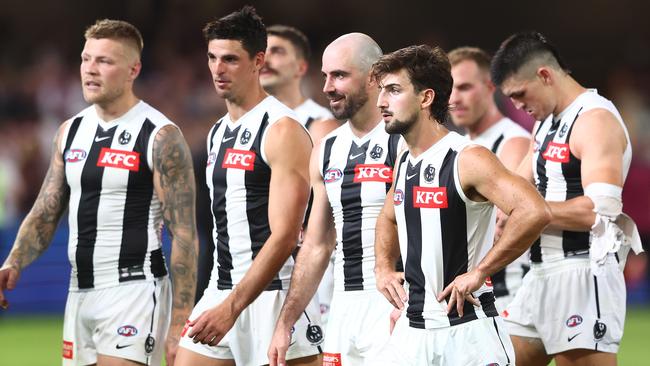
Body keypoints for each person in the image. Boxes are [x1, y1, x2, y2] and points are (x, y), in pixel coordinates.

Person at [0, 19, 198, 366]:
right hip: (79, 292)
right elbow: (47, 209)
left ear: (133, 69)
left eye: (104, 61)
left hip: (134, 290)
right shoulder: (70, 131)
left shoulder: (159, 135)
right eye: (85, 59)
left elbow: (184, 234)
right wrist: (14, 261)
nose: (90, 70)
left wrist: (179, 321)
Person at [369, 44, 551, 365]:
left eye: (394, 90)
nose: (382, 101)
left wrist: (480, 271)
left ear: (426, 98)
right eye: (382, 90)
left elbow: (533, 211)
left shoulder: (467, 157)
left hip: (466, 332)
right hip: (412, 331)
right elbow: (388, 218)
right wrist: (383, 268)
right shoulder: (404, 160)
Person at [175, 7, 321, 366]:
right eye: (211, 58)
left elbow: (286, 236)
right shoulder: (218, 131)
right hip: (220, 289)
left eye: (230, 59)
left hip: (273, 299)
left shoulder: (282, 130)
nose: (217, 69)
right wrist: (220, 301)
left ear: (258, 61)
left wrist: (232, 308)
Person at [491, 31, 642, 366]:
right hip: (540, 273)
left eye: (519, 94)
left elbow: (599, 211)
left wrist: (528, 212)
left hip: (582, 273)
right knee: (494, 358)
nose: (517, 106)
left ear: (545, 75)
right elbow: (516, 183)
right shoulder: (544, 122)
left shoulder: (594, 120)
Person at [268, 33, 403, 366]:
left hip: (397, 304)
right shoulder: (326, 148)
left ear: (374, 77)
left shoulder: (403, 142)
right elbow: (316, 245)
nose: (327, 86)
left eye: (339, 75)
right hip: (344, 304)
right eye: (325, 76)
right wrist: (286, 322)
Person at [260, 24, 341, 323]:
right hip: (255, 262)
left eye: (278, 52)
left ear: (302, 67)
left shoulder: (321, 124)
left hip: (303, 266)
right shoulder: (247, 126)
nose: (266, 59)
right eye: (263, 52)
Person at [448, 46, 531, 312]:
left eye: (464, 87)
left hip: (505, 290)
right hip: (468, 287)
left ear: (490, 87)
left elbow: (502, 219)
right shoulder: (458, 145)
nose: (454, 98)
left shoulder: (513, 141)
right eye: (449, 88)